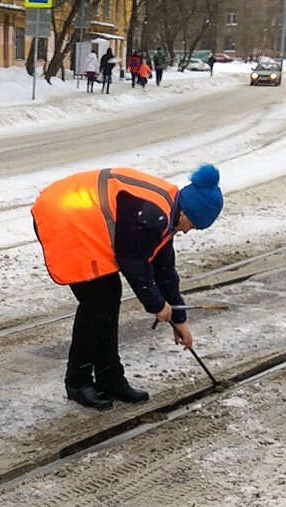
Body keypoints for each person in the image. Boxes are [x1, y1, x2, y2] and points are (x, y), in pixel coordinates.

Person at [30, 165, 225, 410]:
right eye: (194, 225)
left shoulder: (168, 213)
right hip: (64, 216)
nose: (188, 231)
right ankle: (77, 381)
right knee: (98, 300)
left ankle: (110, 378)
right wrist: (156, 305)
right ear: (187, 213)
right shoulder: (154, 214)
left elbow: (164, 271)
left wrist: (179, 319)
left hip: (83, 222)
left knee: (110, 295)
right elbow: (132, 261)